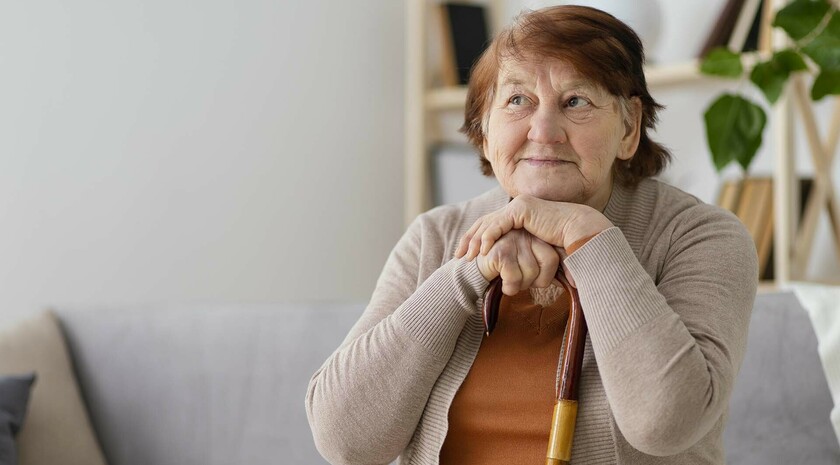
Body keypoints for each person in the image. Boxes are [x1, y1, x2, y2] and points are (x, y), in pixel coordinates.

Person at [306, 5, 758, 465]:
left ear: (629, 127)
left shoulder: (701, 237)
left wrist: (589, 238)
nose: (544, 131)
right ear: (484, 132)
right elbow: (346, 442)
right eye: (518, 100)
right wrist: (466, 273)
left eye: (576, 101)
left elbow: (665, 423)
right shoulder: (434, 237)